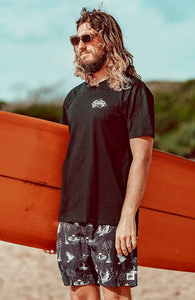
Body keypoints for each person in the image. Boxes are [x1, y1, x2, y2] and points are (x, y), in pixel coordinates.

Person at [53, 8, 155, 300]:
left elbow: (142, 158)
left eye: (87, 38)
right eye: (76, 40)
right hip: (72, 215)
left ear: (108, 41)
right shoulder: (73, 98)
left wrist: (127, 217)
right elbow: (67, 159)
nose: (80, 45)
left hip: (113, 216)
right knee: (81, 295)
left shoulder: (133, 91)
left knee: (115, 296)